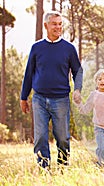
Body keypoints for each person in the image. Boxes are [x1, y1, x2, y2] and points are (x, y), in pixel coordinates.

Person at [20, 10, 83, 169]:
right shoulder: (36, 47)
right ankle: (44, 169)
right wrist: (23, 97)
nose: (58, 27)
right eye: (54, 24)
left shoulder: (69, 48)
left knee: (62, 138)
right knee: (40, 137)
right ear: (46, 25)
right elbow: (29, 73)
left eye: (60, 24)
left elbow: (78, 71)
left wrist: (77, 89)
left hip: (61, 99)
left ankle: (63, 167)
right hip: (39, 99)